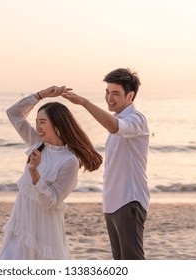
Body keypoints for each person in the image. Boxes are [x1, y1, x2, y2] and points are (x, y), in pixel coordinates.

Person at [0, 86, 102, 260]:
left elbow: (50, 201)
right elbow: (13, 113)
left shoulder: (69, 161)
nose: (38, 126)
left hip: (45, 228)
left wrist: (34, 172)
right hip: (22, 221)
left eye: (43, 122)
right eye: (37, 121)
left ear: (58, 125)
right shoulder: (36, 142)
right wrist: (40, 95)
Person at [62, 68, 150, 260]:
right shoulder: (118, 118)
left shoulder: (136, 119)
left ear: (131, 95)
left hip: (129, 200)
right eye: (107, 92)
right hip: (112, 202)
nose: (109, 98)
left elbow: (115, 128)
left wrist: (84, 102)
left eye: (116, 93)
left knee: (132, 260)